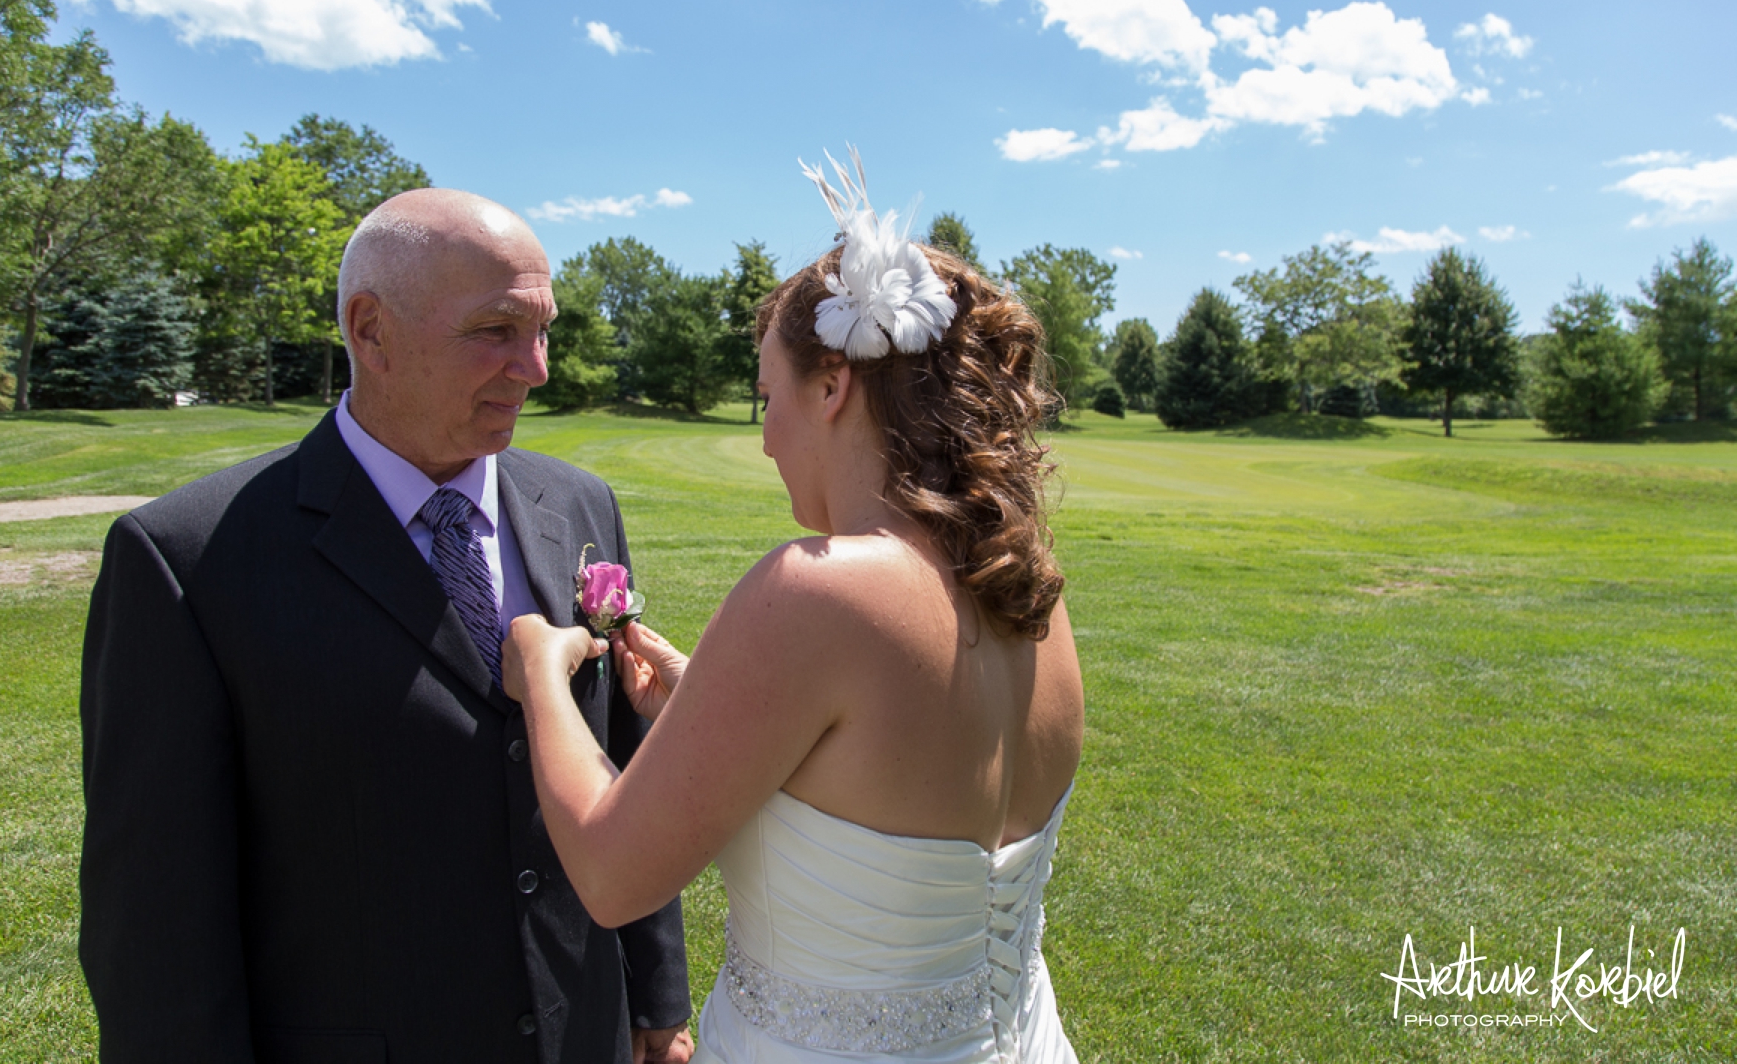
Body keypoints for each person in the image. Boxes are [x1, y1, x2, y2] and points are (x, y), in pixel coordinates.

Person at [79, 189, 692, 1064]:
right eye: (495, 332)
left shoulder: (578, 505)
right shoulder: (187, 558)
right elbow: (154, 921)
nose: (537, 367)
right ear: (371, 330)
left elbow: (628, 767)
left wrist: (656, 999)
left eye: (543, 329)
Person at [500, 156, 1086, 1064]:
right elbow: (896, 770)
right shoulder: (1024, 586)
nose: (766, 435)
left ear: (832, 387)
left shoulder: (817, 587)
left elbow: (613, 877)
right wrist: (714, 706)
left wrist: (540, 678)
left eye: (766, 397)